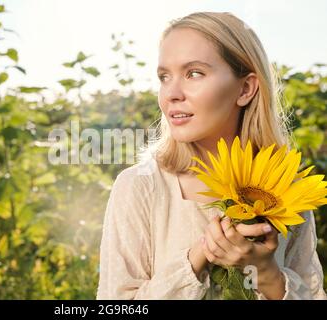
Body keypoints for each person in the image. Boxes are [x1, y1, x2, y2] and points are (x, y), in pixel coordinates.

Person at [96, 12, 327, 300]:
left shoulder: (286, 195)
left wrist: (267, 274)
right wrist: (199, 256)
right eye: (164, 77)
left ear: (245, 88)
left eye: (194, 73)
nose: (171, 94)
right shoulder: (139, 187)